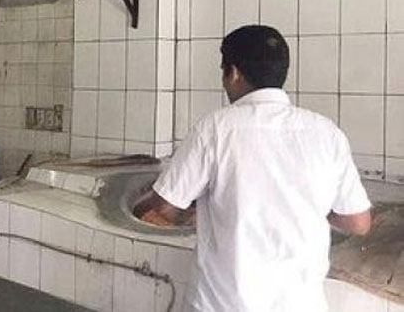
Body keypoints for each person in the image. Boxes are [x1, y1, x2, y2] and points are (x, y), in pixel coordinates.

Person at [140, 25, 371, 312]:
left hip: (222, 304)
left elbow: (163, 205)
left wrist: (195, 214)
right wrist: (307, 204)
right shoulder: (327, 133)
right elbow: (358, 222)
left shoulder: (215, 129)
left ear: (234, 73)